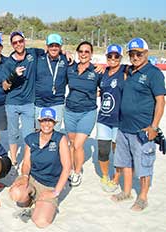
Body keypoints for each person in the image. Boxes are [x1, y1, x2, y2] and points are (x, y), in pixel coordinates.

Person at [111, 38, 165, 211]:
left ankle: (142, 197)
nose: (135, 57)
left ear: (146, 53)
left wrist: (154, 127)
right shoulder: (129, 71)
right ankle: (126, 192)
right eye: (132, 54)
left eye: (139, 53)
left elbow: (160, 101)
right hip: (124, 126)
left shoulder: (154, 73)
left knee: (144, 164)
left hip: (142, 129)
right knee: (125, 162)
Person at [8, 107, 71, 228]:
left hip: (50, 185)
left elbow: (67, 168)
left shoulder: (60, 139)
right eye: (44, 120)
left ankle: (39, 206)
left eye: (50, 120)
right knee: (16, 194)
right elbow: (26, 163)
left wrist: (55, 192)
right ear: (39, 121)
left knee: (41, 222)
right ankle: (32, 200)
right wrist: (25, 176)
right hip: (33, 178)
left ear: (55, 122)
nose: (47, 124)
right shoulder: (31, 138)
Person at [64, 41, 102, 187]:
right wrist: (65, 53)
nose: (84, 54)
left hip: (88, 112)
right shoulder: (70, 68)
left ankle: (77, 172)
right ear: (77, 52)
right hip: (70, 111)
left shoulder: (97, 71)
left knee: (78, 145)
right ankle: (71, 168)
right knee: (72, 143)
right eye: (81, 51)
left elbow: (107, 86)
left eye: (87, 51)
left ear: (91, 54)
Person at [1, 31, 39, 166]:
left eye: (20, 41)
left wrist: (65, 52)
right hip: (12, 103)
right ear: (12, 44)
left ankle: (27, 160)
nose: (18, 44)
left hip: (29, 102)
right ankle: (14, 160)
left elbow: (51, 51)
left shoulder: (33, 54)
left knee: (28, 134)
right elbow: (5, 86)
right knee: (13, 133)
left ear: (24, 41)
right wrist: (14, 75)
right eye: (15, 42)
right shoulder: (8, 62)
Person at [96, 44, 126, 192]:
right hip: (103, 119)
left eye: (116, 56)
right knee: (102, 150)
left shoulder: (125, 71)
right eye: (110, 56)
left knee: (118, 152)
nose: (113, 59)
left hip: (119, 120)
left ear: (121, 57)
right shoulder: (103, 73)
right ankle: (105, 175)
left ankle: (116, 178)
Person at [34, 34, 69, 131]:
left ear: (61, 47)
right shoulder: (38, 58)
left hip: (57, 102)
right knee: (39, 131)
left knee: (55, 132)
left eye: (56, 45)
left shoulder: (66, 60)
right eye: (51, 45)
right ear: (47, 46)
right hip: (39, 102)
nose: (54, 48)